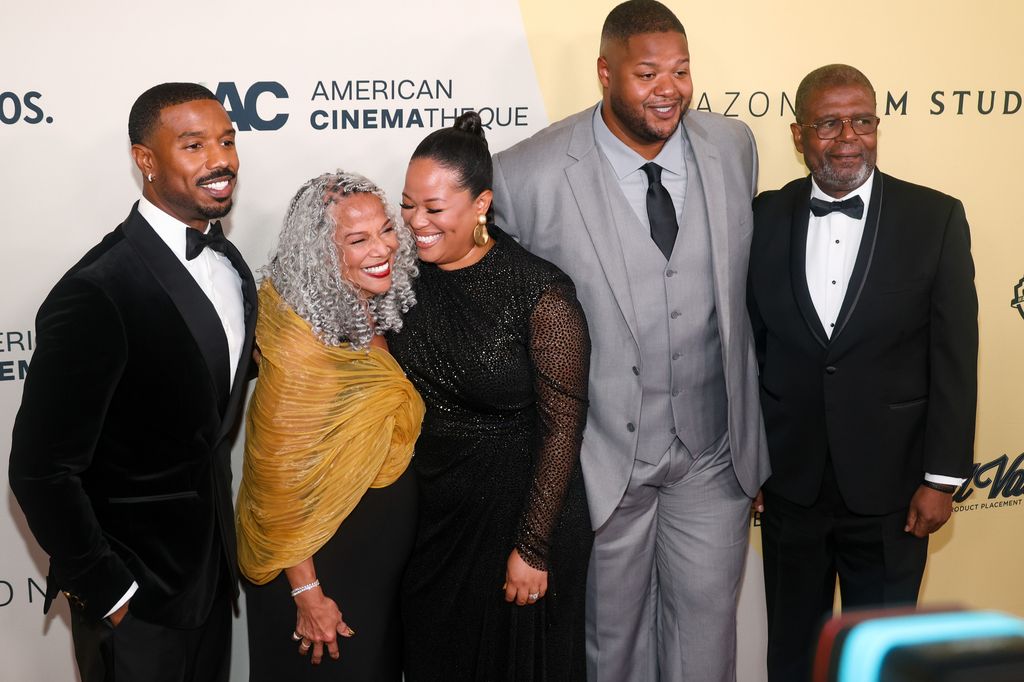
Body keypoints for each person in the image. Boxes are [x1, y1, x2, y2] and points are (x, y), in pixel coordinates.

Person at [491, 1, 770, 680]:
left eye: (680, 70)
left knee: (708, 643)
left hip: (712, 457)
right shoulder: (526, 175)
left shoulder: (733, 147)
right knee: (606, 649)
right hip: (599, 462)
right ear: (605, 73)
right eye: (647, 73)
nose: (668, 88)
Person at [8, 82, 256, 682]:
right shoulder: (96, 292)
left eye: (225, 141)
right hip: (135, 598)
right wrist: (110, 592)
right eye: (193, 145)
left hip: (211, 583)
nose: (219, 160)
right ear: (145, 160)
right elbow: (39, 470)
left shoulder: (231, 264)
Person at [747, 63, 978, 682]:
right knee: (793, 653)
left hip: (895, 490)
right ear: (799, 135)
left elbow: (955, 358)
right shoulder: (763, 218)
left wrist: (942, 478)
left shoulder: (935, 218)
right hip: (791, 484)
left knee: (881, 656)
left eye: (862, 121)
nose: (848, 136)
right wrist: (752, 461)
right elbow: (751, 348)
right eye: (828, 123)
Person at [389, 111, 593, 681]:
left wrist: (532, 546)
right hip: (434, 523)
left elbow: (562, 430)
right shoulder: (400, 282)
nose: (415, 222)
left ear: (481, 204)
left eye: (433, 209)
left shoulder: (540, 293)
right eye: (407, 204)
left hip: (522, 516)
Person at [236, 171, 423, 681]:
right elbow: (278, 484)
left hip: (373, 573)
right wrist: (307, 595)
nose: (382, 247)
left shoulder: (368, 310)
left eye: (386, 230)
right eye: (357, 239)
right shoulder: (303, 346)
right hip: (323, 577)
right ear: (321, 254)